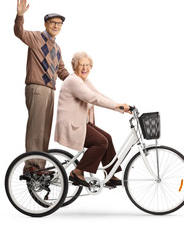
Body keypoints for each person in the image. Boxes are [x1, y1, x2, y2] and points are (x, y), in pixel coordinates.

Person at [54, 51, 130, 187]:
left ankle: (110, 174)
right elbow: (93, 98)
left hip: (81, 123)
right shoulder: (73, 81)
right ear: (74, 67)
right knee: (101, 142)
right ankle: (77, 172)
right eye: (81, 65)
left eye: (88, 65)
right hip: (71, 125)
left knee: (108, 137)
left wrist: (121, 107)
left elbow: (99, 95)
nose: (85, 68)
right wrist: (118, 107)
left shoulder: (84, 81)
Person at [14, 0, 69, 173]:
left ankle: (40, 167)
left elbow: (62, 71)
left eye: (59, 24)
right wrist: (19, 16)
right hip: (37, 88)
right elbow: (19, 32)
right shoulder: (36, 38)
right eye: (53, 22)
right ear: (46, 24)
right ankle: (31, 166)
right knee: (36, 128)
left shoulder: (57, 48)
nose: (56, 26)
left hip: (50, 90)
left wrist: (78, 82)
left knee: (45, 130)